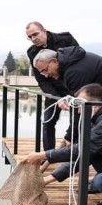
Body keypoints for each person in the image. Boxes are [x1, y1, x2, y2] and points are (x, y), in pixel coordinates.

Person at [32, 46, 102, 113]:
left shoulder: (73, 72)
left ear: (54, 61)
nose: (46, 75)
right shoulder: (70, 62)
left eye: (45, 70)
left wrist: (69, 137)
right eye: (42, 73)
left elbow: (80, 106)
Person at [25, 22, 79, 151]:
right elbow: (41, 79)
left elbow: (79, 60)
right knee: (47, 121)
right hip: (53, 90)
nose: (33, 39)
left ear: (44, 30)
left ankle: (75, 153)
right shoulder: (32, 52)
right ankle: (48, 155)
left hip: (73, 87)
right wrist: (57, 98)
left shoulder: (66, 39)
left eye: (35, 34)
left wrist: (73, 92)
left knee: (77, 121)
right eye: (30, 37)